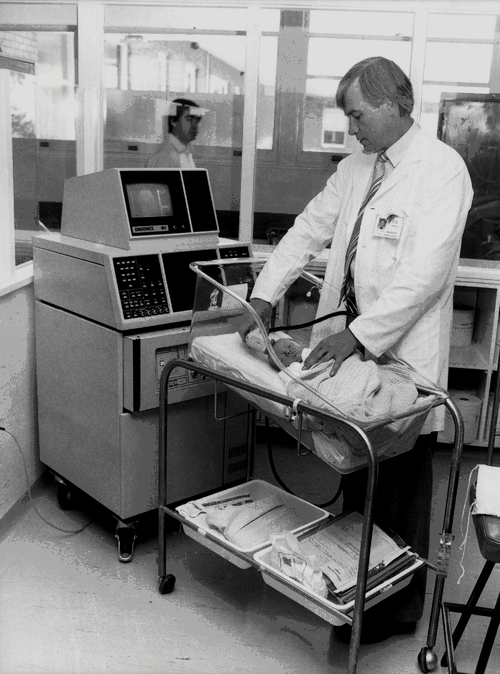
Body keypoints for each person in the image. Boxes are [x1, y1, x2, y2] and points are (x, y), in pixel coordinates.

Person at [243, 56, 473, 643]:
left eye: (357, 114)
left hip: (399, 354)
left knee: (399, 480)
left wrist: (359, 336)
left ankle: (396, 608)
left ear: (396, 105)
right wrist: (265, 294)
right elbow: (306, 230)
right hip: (350, 353)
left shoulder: (442, 171)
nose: (351, 127)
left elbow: (423, 277)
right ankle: (351, 587)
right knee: (353, 467)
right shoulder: (355, 169)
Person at [145, 98, 202, 168]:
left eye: (197, 121)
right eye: (189, 120)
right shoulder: (165, 155)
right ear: (173, 121)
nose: (195, 125)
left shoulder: (185, 151)